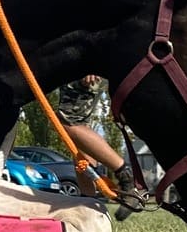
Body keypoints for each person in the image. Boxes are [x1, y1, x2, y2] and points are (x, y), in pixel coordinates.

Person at [56, 75, 148, 214]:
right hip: (75, 65)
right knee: (79, 137)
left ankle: (127, 179)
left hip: (82, 65)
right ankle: (89, 206)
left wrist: (88, 66)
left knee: (68, 123)